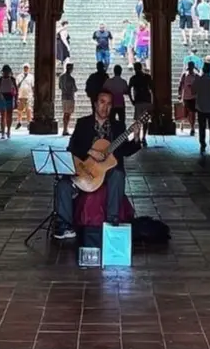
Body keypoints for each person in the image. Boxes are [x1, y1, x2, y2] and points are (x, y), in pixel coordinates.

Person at [53, 88, 143, 241]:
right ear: (95, 104)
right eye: (102, 102)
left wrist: (136, 137)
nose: (105, 107)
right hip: (85, 169)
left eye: (109, 104)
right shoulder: (83, 123)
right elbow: (72, 147)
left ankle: (112, 221)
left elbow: (126, 151)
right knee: (63, 185)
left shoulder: (118, 126)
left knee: (118, 174)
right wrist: (90, 151)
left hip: (107, 172)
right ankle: (64, 225)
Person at [128, 61, 153, 143]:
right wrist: (154, 101)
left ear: (135, 69)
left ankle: (137, 138)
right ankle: (143, 137)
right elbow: (152, 89)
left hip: (138, 101)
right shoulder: (147, 77)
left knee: (138, 121)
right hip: (146, 100)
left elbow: (128, 90)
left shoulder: (133, 78)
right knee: (145, 121)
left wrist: (132, 100)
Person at [0, 64, 17, 139]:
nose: (6, 73)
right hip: (2, 97)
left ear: (9, 72)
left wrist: (16, 100)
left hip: (10, 97)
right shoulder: (0, 80)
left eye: (7, 71)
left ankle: (8, 131)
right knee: (3, 116)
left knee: (9, 116)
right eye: (5, 71)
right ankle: (3, 132)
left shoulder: (12, 79)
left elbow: (16, 90)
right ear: (3, 72)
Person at [178, 60, 198, 136]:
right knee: (189, 113)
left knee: (193, 113)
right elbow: (180, 85)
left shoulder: (196, 75)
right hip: (186, 96)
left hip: (194, 96)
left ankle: (192, 127)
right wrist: (179, 94)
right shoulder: (184, 75)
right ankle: (191, 126)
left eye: (191, 66)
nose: (190, 68)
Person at [59, 60, 77, 135]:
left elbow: (60, 86)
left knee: (65, 113)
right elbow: (75, 89)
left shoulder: (61, 77)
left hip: (63, 97)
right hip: (70, 97)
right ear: (71, 69)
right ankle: (66, 129)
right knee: (68, 114)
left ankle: (64, 129)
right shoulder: (71, 79)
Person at [16, 62, 34, 129]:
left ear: (29, 69)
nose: (26, 69)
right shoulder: (19, 76)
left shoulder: (31, 77)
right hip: (21, 94)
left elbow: (33, 86)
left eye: (27, 68)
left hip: (28, 95)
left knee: (28, 109)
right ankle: (19, 122)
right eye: (25, 67)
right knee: (19, 110)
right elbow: (16, 85)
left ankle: (29, 122)